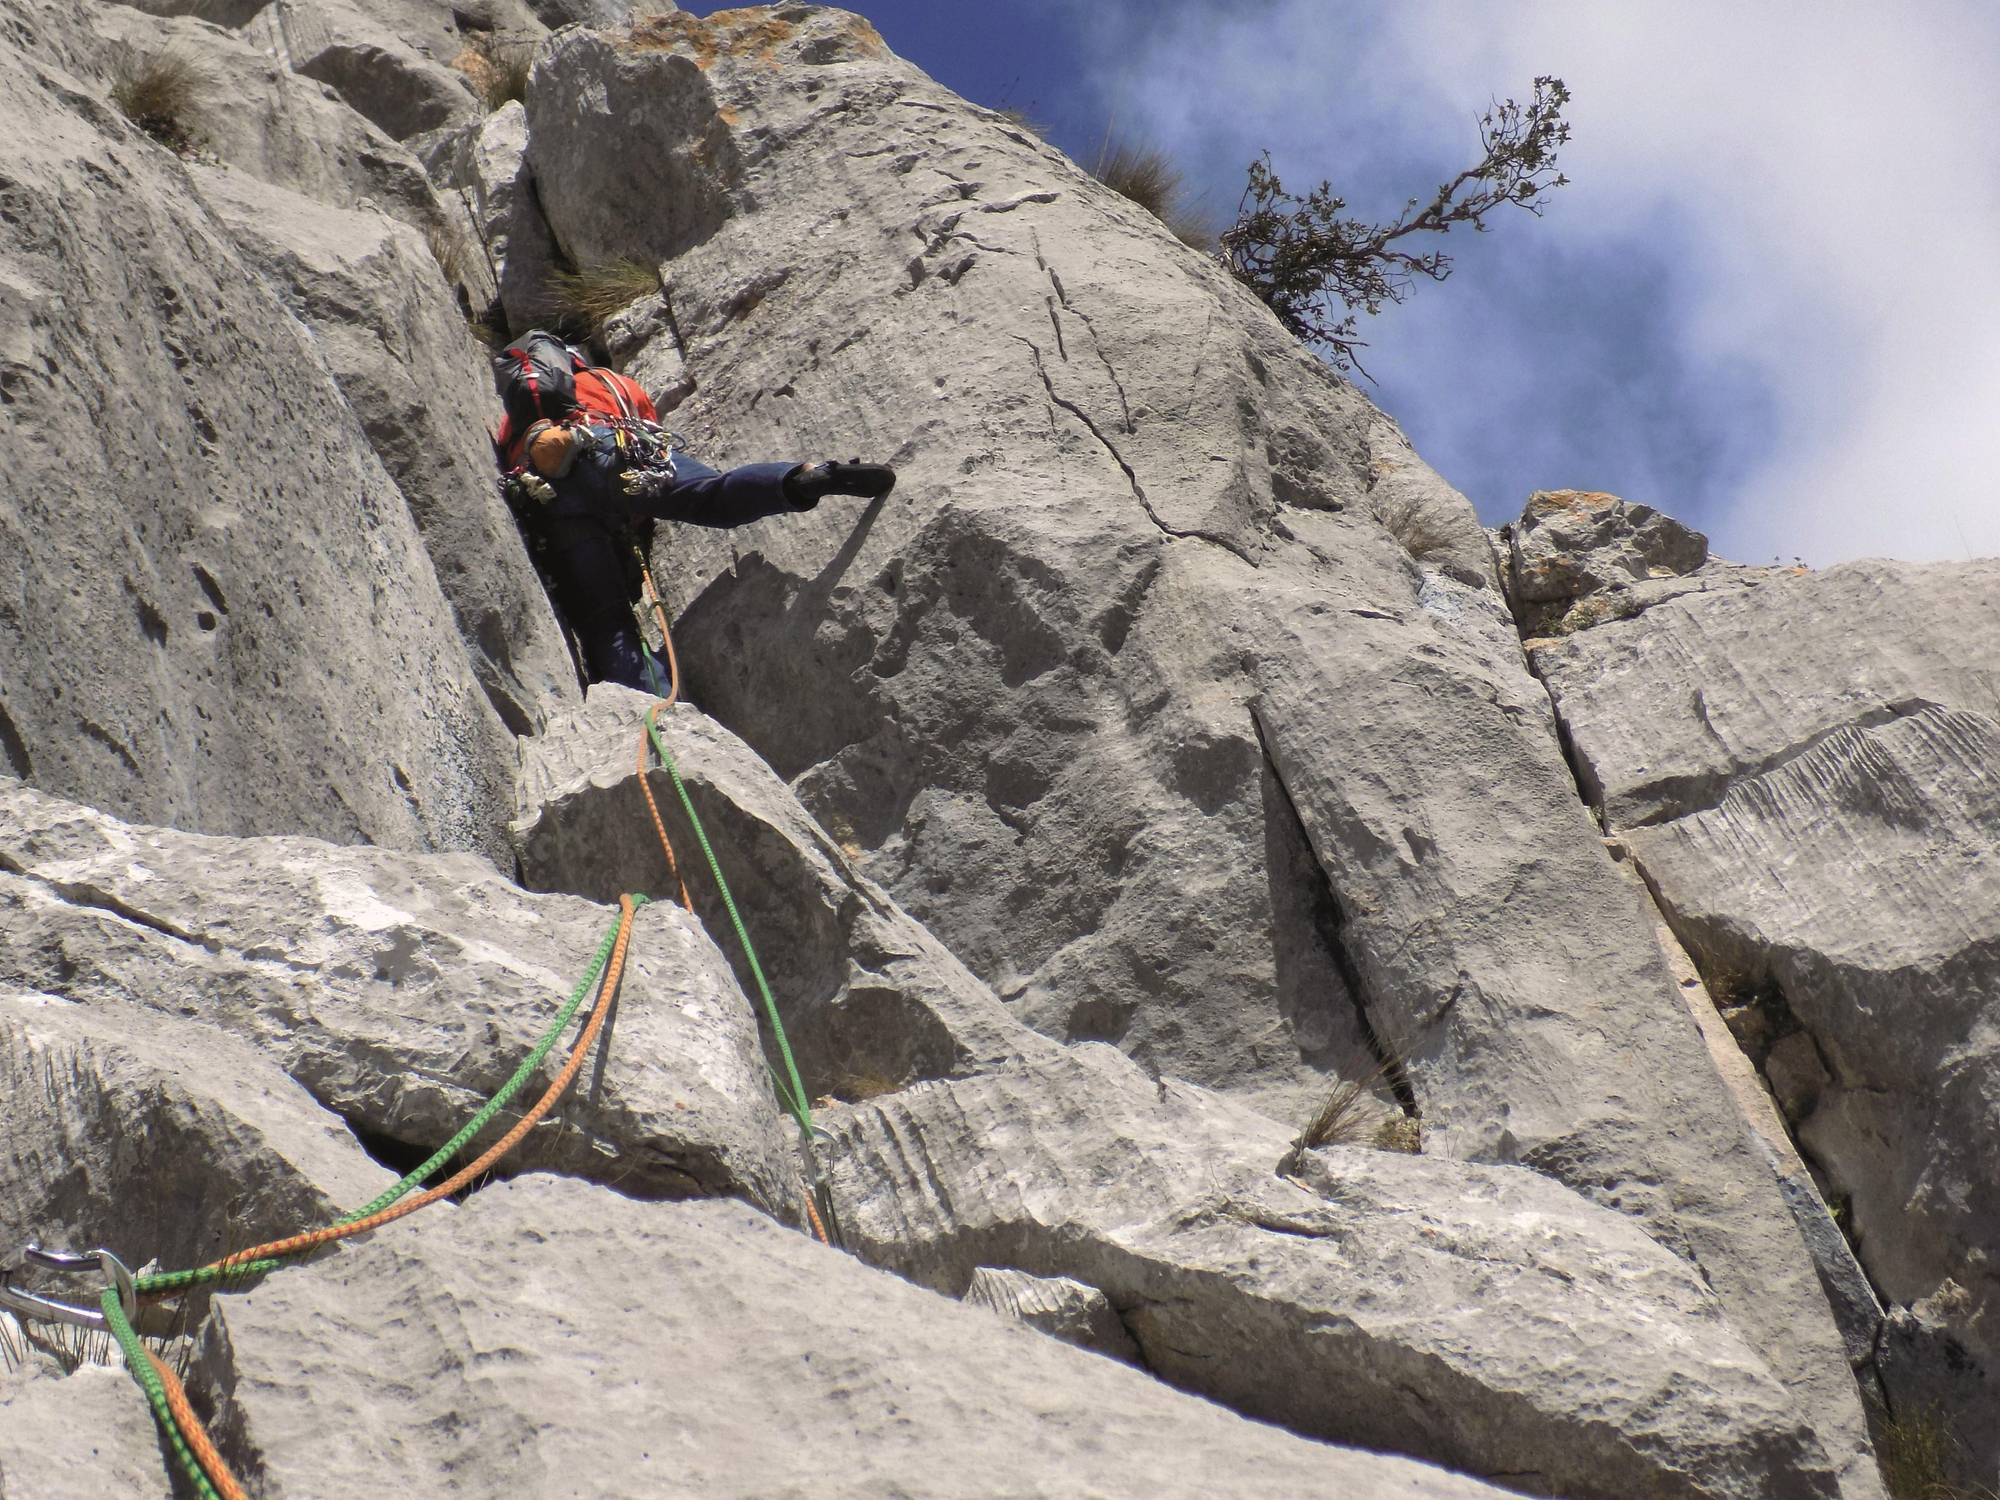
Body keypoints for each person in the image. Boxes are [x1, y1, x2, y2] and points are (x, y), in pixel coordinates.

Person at [493, 332, 896, 692]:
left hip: (549, 495)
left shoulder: (515, 420)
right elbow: (645, 433)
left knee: (609, 622)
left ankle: (655, 716)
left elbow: (512, 454)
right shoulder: (611, 382)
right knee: (712, 495)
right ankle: (802, 479)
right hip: (605, 446)